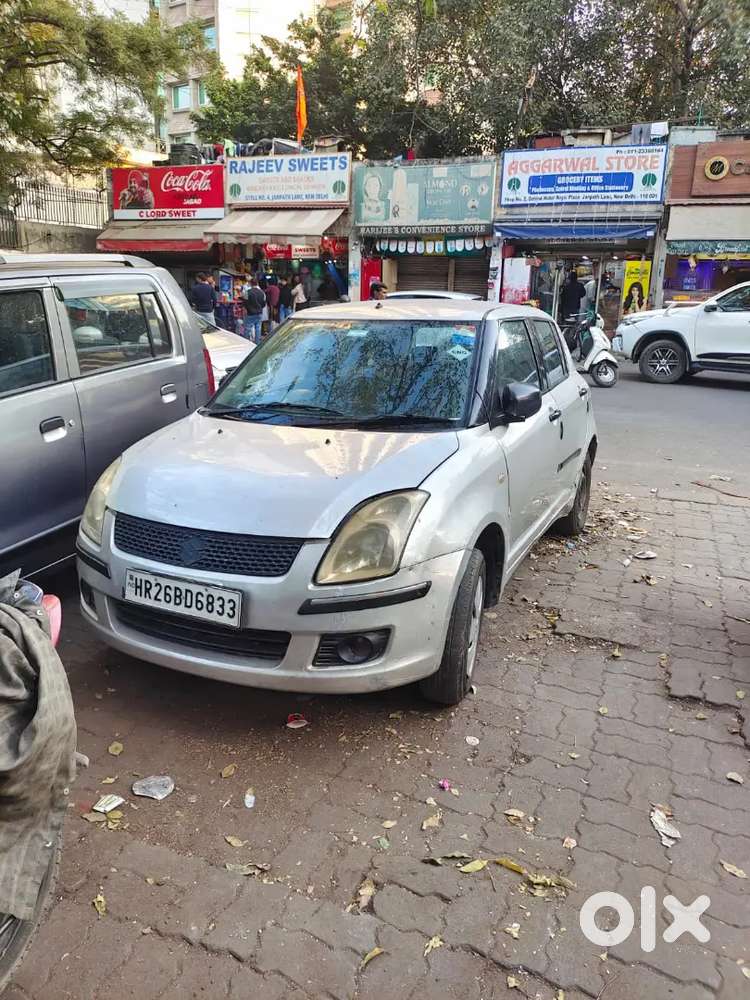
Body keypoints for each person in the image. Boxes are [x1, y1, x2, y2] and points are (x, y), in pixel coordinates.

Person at [244, 277, 266, 343]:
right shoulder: (262, 292)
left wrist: (248, 309)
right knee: (258, 328)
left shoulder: (247, 292)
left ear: (250, 284)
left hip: (250, 313)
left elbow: (245, 302)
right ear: (257, 283)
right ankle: (257, 343)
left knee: (248, 328)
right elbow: (264, 303)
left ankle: (246, 342)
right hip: (259, 313)